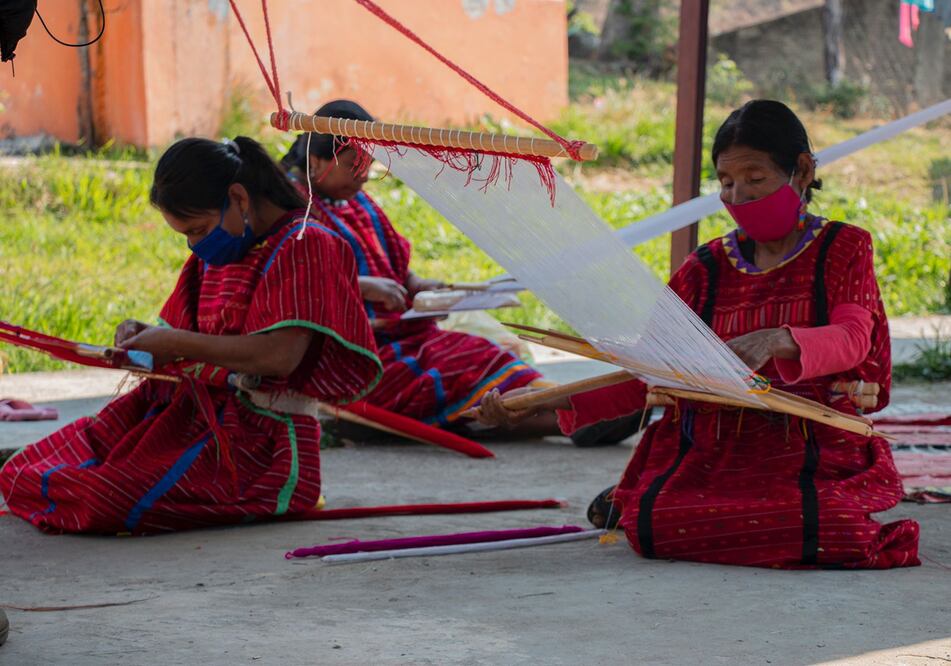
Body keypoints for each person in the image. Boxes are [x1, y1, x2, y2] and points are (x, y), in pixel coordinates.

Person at [477, 100, 920, 569]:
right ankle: (643, 496)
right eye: (727, 183)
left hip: (812, 441)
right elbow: (651, 370)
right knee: (655, 527)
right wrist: (536, 404)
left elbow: (854, 339)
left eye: (755, 179)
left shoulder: (842, 248)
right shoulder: (705, 269)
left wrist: (777, 339)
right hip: (713, 444)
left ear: (803, 171)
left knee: (829, 529)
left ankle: (638, 494)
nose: (738, 196)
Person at [0, 137, 381, 534]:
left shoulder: (307, 245)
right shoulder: (223, 248)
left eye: (197, 229)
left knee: (103, 497)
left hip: (262, 444)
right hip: (190, 416)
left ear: (238, 197)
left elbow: (278, 356)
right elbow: (182, 336)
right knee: (24, 471)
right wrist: (146, 338)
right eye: (187, 235)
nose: (194, 245)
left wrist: (174, 344)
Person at [280, 99, 638, 441]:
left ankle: (577, 414)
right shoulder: (290, 211)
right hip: (351, 356)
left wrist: (419, 285)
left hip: (402, 335)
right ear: (315, 159)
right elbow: (287, 285)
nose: (364, 179)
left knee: (480, 353)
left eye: (369, 167)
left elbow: (393, 265)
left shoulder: (356, 202)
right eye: (354, 167)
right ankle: (576, 420)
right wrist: (361, 287)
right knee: (462, 368)